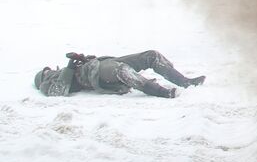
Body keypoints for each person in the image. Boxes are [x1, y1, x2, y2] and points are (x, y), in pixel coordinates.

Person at [33, 50, 205, 99]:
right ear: (43, 76)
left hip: (101, 64)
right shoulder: (47, 84)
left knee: (151, 55)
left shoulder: (59, 73)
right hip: (97, 74)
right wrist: (70, 68)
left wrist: (82, 59)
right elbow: (58, 91)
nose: (51, 70)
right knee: (121, 71)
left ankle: (184, 81)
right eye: (47, 70)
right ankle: (161, 91)